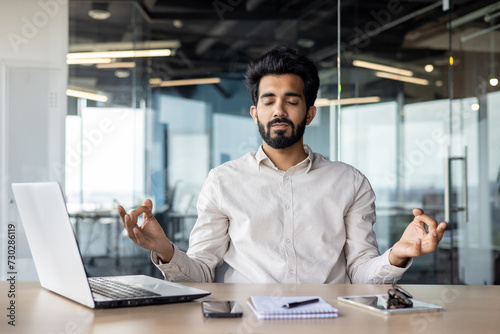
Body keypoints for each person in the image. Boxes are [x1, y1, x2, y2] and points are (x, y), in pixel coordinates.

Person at [118, 46, 447, 284]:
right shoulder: (222, 181)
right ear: (254, 112)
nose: (279, 110)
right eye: (268, 100)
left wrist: (398, 253)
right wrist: (164, 249)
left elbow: (360, 273)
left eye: (292, 101)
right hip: (245, 320)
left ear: (309, 113)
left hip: (329, 320)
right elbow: (202, 272)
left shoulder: (350, 182)